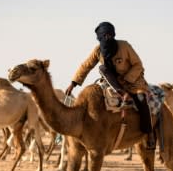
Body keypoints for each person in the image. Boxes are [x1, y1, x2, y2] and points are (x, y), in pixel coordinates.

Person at [65, 21, 156, 149]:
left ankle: (149, 132)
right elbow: (86, 65)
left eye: (109, 35)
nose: (107, 38)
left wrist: (127, 79)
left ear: (113, 35)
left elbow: (138, 65)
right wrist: (73, 83)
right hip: (113, 82)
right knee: (102, 68)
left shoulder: (124, 46)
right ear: (100, 38)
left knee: (141, 100)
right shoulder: (98, 50)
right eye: (104, 36)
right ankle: (121, 95)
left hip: (133, 81)